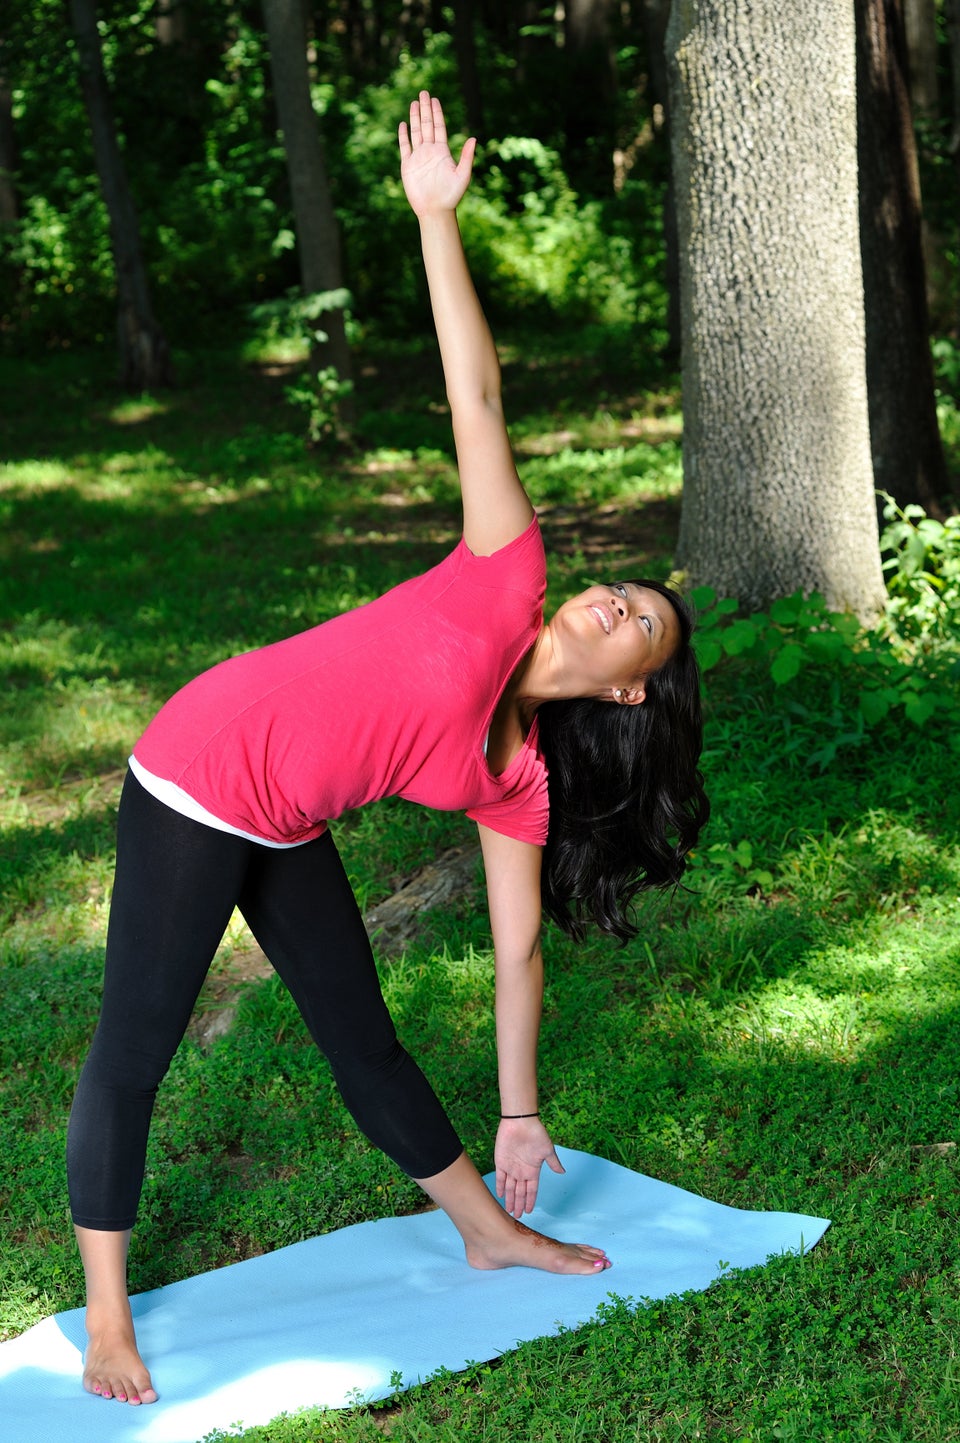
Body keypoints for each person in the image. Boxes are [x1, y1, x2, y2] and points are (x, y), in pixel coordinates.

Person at [66, 92, 709, 1407]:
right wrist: (434, 222)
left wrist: (523, 1113)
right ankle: (107, 1320)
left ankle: (485, 1225)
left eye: (639, 621)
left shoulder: (521, 781)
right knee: (136, 1048)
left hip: (285, 817)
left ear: (635, 690)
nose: (612, 598)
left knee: (365, 1040)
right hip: (196, 771)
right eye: (625, 586)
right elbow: (473, 388)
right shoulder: (501, 571)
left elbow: (518, 951)